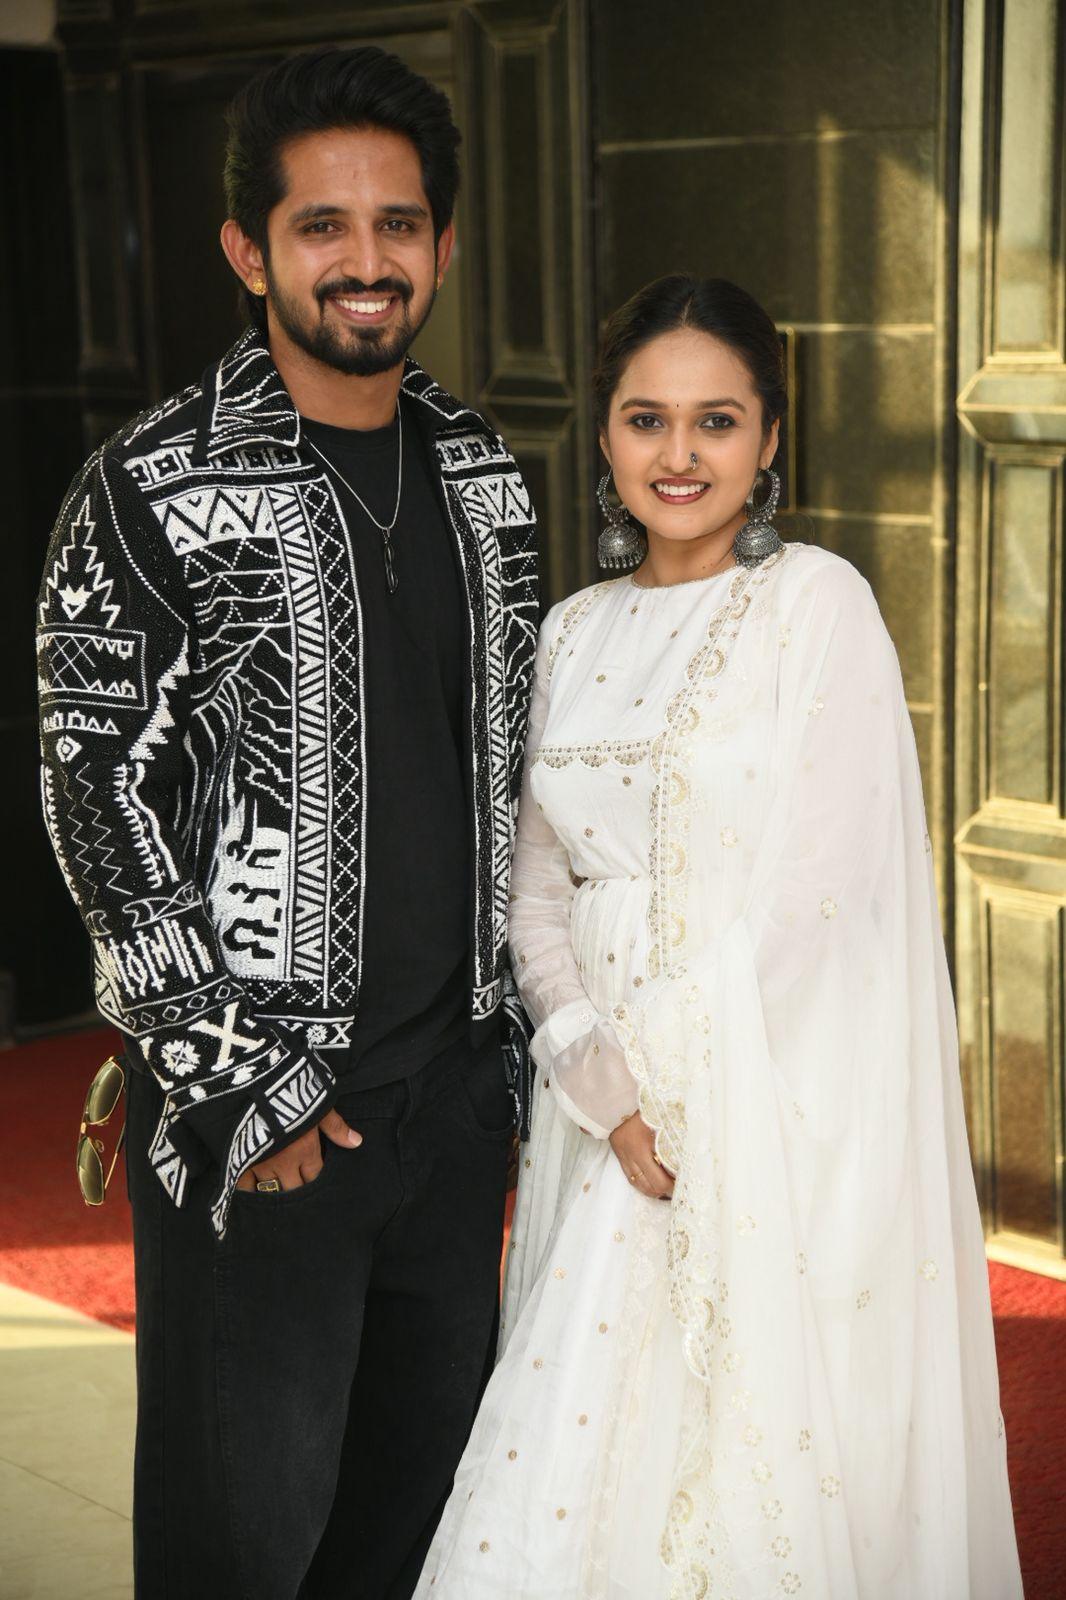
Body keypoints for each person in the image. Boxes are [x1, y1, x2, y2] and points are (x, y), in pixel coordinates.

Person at [416, 275, 1023, 1599]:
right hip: (600, 1107)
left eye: (716, 420)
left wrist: (678, 1093)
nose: (678, 455)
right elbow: (532, 893)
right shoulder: (569, 632)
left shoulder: (815, 604)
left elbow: (823, 893)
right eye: (647, 419)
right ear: (605, 434)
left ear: (769, 437)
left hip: (757, 1096)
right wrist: (599, 1079)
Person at [37, 45, 538, 1600]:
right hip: (266, 1131)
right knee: (240, 1547)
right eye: (322, 225)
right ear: (249, 252)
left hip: (452, 1115)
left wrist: (513, 1062)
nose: (365, 259)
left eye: (399, 224)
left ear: (442, 247)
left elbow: (515, 767)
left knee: (411, 1527)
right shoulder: (148, 486)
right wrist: (237, 1085)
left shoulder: (486, 479)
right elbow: (92, 792)